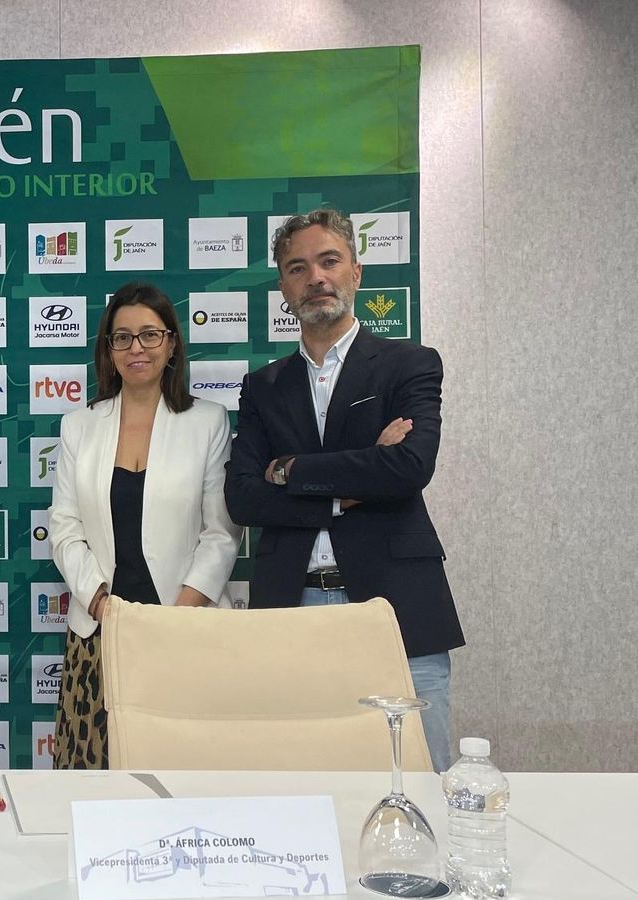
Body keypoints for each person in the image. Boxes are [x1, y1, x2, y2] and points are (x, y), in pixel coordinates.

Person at [224, 207, 465, 770]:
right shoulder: (263, 387)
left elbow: (408, 467)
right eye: (297, 268)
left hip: (397, 604)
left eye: (329, 261)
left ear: (355, 271)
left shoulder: (409, 364)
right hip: (293, 604)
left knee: (420, 775)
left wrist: (290, 471)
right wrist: (352, 484)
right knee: (301, 778)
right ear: (283, 289)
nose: (316, 277)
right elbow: (243, 497)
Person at [47, 281, 242, 769]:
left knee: (186, 776)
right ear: (108, 350)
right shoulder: (79, 426)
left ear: (171, 344)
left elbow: (221, 532)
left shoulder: (208, 421)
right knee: (96, 778)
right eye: (123, 337)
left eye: (150, 335)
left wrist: (175, 618)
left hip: (184, 629)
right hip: (100, 631)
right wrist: (101, 603)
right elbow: (64, 525)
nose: (137, 348)